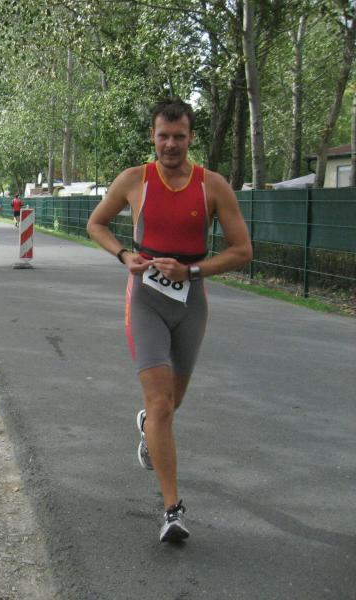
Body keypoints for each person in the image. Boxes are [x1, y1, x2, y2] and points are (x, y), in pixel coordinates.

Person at [87, 98, 252, 543]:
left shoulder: (212, 186)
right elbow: (96, 224)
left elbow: (242, 250)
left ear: (191, 137)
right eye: (164, 136)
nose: (171, 144)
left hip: (190, 299)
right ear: (153, 136)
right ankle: (172, 510)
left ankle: (147, 427)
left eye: (179, 136)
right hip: (145, 298)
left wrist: (192, 271)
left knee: (171, 403)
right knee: (161, 404)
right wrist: (124, 255)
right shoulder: (133, 180)